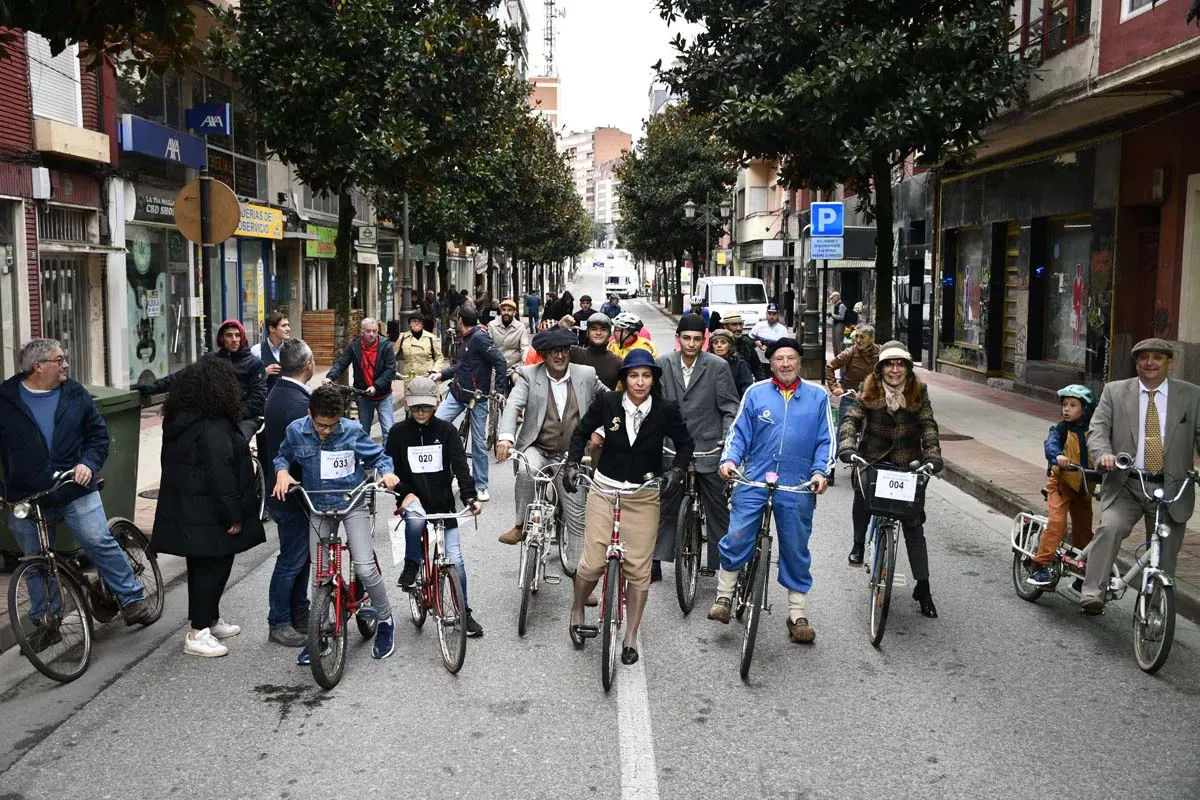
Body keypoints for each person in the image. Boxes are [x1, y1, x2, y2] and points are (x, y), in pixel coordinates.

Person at [1, 339, 153, 627]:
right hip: (26, 496)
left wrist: (87, 464)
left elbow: (98, 436)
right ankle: (47, 621)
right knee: (35, 562)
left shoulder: (74, 393)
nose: (66, 364)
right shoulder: (5, 400)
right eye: (59, 360)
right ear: (39, 367)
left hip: (74, 487)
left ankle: (132, 598)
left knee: (97, 540)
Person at [563, 350, 692, 664]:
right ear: (624, 379)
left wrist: (677, 469)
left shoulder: (665, 410)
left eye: (646, 376)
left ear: (653, 380)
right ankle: (578, 607)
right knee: (593, 560)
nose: (640, 382)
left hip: (643, 495)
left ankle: (631, 634)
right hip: (605, 491)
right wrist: (571, 464)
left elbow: (685, 444)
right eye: (634, 375)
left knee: (638, 569)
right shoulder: (608, 404)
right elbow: (581, 432)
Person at [708, 337, 832, 644]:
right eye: (779, 359)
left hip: (797, 482)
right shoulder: (755, 393)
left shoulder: (817, 396)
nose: (786, 364)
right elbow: (738, 434)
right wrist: (729, 460)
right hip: (755, 477)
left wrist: (820, 472)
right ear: (771, 363)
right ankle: (724, 597)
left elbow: (825, 440)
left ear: (799, 362)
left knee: (795, 547)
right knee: (737, 534)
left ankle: (797, 614)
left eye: (791, 358)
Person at [272, 384, 401, 660]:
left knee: (365, 568)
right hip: (317, 506)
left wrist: (387, 473)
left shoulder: (352, 431)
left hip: (352, 504)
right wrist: (281, 471)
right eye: (321, 425)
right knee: (320, 577)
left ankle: (386, 620)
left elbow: (379, 457)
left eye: (332, 425)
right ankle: (322, 632)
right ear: (309, 414)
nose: (326, 431)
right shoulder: (296, 430)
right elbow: (282, 455)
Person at [154, 357, 266, 657]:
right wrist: (232, 515)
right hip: (211, 510)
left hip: (191, 508)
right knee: (214, 566)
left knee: (201, 565)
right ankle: (197, 631)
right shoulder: (213, 425)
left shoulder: (182, 418)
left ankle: (210, 620)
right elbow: (221, 474)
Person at [1079, 338, 1200, 614]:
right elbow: (1097, 430)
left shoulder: (1192, 396)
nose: (1150, 363)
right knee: (1111, 528)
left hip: (1171, 489)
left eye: (1157, 357)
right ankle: (1092, 592)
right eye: (1143, 357)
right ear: (1136, 363)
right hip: (1127, 484)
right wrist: (1103, 454)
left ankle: (1154, 612)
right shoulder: (1115, 391)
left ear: (1170, 362)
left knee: (1165, 553)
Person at [837, 340, 943, 618]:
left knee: (913, 522)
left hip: (908, 462)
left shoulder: (919, 390)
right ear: (880, 367)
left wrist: (933, 456)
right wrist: (847, 447)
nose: (894, 370)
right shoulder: (867, 388)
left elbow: (928, 425)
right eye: (889, 364)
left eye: (900, 364)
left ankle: (923, 586)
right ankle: (859, 544)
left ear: (907, 367)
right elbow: (852, 419)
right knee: (862, 492)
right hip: (873, 458)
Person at [386, 376, 485, 636]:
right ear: (406, 404)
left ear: (437, 404)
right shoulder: (397, 433)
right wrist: (403, 493)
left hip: (442, 503)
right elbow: (390, 469)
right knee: (415, 520)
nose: (420, 412)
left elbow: (461, 468)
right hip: (412, 498)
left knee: (457, 561)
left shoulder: (447, 432)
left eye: (426, 407)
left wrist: (470, 497)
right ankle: (411, 563)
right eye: (416, 407)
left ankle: (464, 612)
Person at [496, 327, 605, 554]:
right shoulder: (529, 375)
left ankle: (579, 582)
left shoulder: (585, 374)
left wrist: (602, 431)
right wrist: (505, 437)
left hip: (573, 456)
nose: (559, 356)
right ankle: (520, 525)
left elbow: (609, 401)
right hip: (539, 447)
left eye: (564, 350)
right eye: (553, 352)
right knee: (527, 469)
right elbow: (513, 404)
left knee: (577, 521)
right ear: (543, 355)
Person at [654, 315, 739, 578]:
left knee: (717, 508)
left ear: (704, 341)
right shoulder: (663, 363)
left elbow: (729, 407)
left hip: (709, 446)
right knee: (665, 504)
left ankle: (720, 564)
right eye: (686, 338)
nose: (691, 344)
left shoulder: (717, 366)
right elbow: (654, 407)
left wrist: (726, 441)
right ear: (677, 338)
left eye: (697, 339)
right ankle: (656, 559)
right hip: (673, 447)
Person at [260, 339, 315, 647]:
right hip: (290, 492)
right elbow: (301, 452)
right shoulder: (294, 402)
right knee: (292, 558)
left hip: (289, 490)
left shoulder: (281, 393)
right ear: (308, 366)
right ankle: (279, 620)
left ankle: (299, 611)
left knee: (302, 556)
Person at [143, 319, 267, 441]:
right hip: (216, 415)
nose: (234, 339)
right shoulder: (211, 359)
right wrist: (154, 387)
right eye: (229, 335)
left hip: (245, 417)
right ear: (222, 338)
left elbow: (258, 396)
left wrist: (238, 414)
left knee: (234, 442)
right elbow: (183, 376)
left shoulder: (254, 364)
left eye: (237, 335)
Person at [433, 307, 508, 502]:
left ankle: (481, 485)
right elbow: (461, 365)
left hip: (477, 397)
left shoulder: (479, 338)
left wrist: (499, 390)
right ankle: (438, 472)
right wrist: (441, 375)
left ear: (460, 320)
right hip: (458, 392)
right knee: (436, 422)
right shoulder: (465, 338)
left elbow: (500, 362)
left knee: (478, 443)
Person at [1027, 384, 1096, 587]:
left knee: (1084, 533)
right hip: (1061, 484)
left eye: (1073, 405)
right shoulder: (1061, 429)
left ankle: (1081, 572)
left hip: (1084, 487)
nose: (1066, 409)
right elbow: (1051, 443)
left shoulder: (1094, 432)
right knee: (1057, 525)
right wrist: (1057, 455)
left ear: (1085, 409)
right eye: (1064, 404)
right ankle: (1039, 565)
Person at [325, 317, 397, 440]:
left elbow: (390, 370)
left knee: (388, 430)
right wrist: (329, 377)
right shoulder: (354, 346)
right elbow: (342, 363)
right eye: (368, 331)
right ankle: (366, 457)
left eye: (374, 331)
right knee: (364, 431)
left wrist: (376, 386)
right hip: (364, 395)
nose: (372, 334)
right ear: (361, 332)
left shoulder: (386, 346)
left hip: (383, 395)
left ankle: (388, 457)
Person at [825, 324, 881, 396]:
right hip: (851, 398)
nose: (858, 340)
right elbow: (829, 367)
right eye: (856, 336)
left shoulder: (880, 351)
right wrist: (834, 387)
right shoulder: (850, 352)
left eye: (862, 337)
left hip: (873, 398)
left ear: (872, 338)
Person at [572, 312, 623, 389]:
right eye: (594, 329)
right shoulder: (575, 353)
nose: (598, 333)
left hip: (606, 401)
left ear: (609, 334)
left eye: (603, 329)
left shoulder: (617, 362)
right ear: (588, 332)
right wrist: (559, 326)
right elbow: (549, 346)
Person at [397, 312, 446, 381]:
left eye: (419, 322)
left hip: (428, 376)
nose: (416, 323)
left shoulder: (431, 338)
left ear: (423, 324)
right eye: (414, 321)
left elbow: (439, 357)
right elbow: (392, 356)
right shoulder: (403, 338)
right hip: (410, 377)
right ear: (409, 324)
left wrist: (435, 371)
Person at [487, 298, 531, 374]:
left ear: (514, 312)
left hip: (514, 367)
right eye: (504, 310)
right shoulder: (492, 325)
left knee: (518, 381)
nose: (506, 312)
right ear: (500, 311)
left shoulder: (520, 327)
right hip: (495, 367)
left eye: (509, 310)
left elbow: (524, 348)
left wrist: (526, 365)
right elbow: (488, 347)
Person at [251, 311, 290, 393]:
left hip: (288, 400)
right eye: (284, 326)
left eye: (288, 325)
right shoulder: (256, 351)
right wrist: (264, 372)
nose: (288, 329)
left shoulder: (292, 349)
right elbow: (249, 379)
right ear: (272, 328)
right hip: (266, 402)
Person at [708, 329, 755, 396]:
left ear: (730, 345)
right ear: (712, 347)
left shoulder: (739, 364)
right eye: (715, 343)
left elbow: (747, 386)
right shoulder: (707, 363)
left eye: (723, 342)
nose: (719, 346)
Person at [722, 313, 767, 381]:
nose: (739, 328)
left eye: (740, 324)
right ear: (725, 326)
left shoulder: (747, 342)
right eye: (734, 324)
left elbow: (757, 368)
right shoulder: (718, 344)